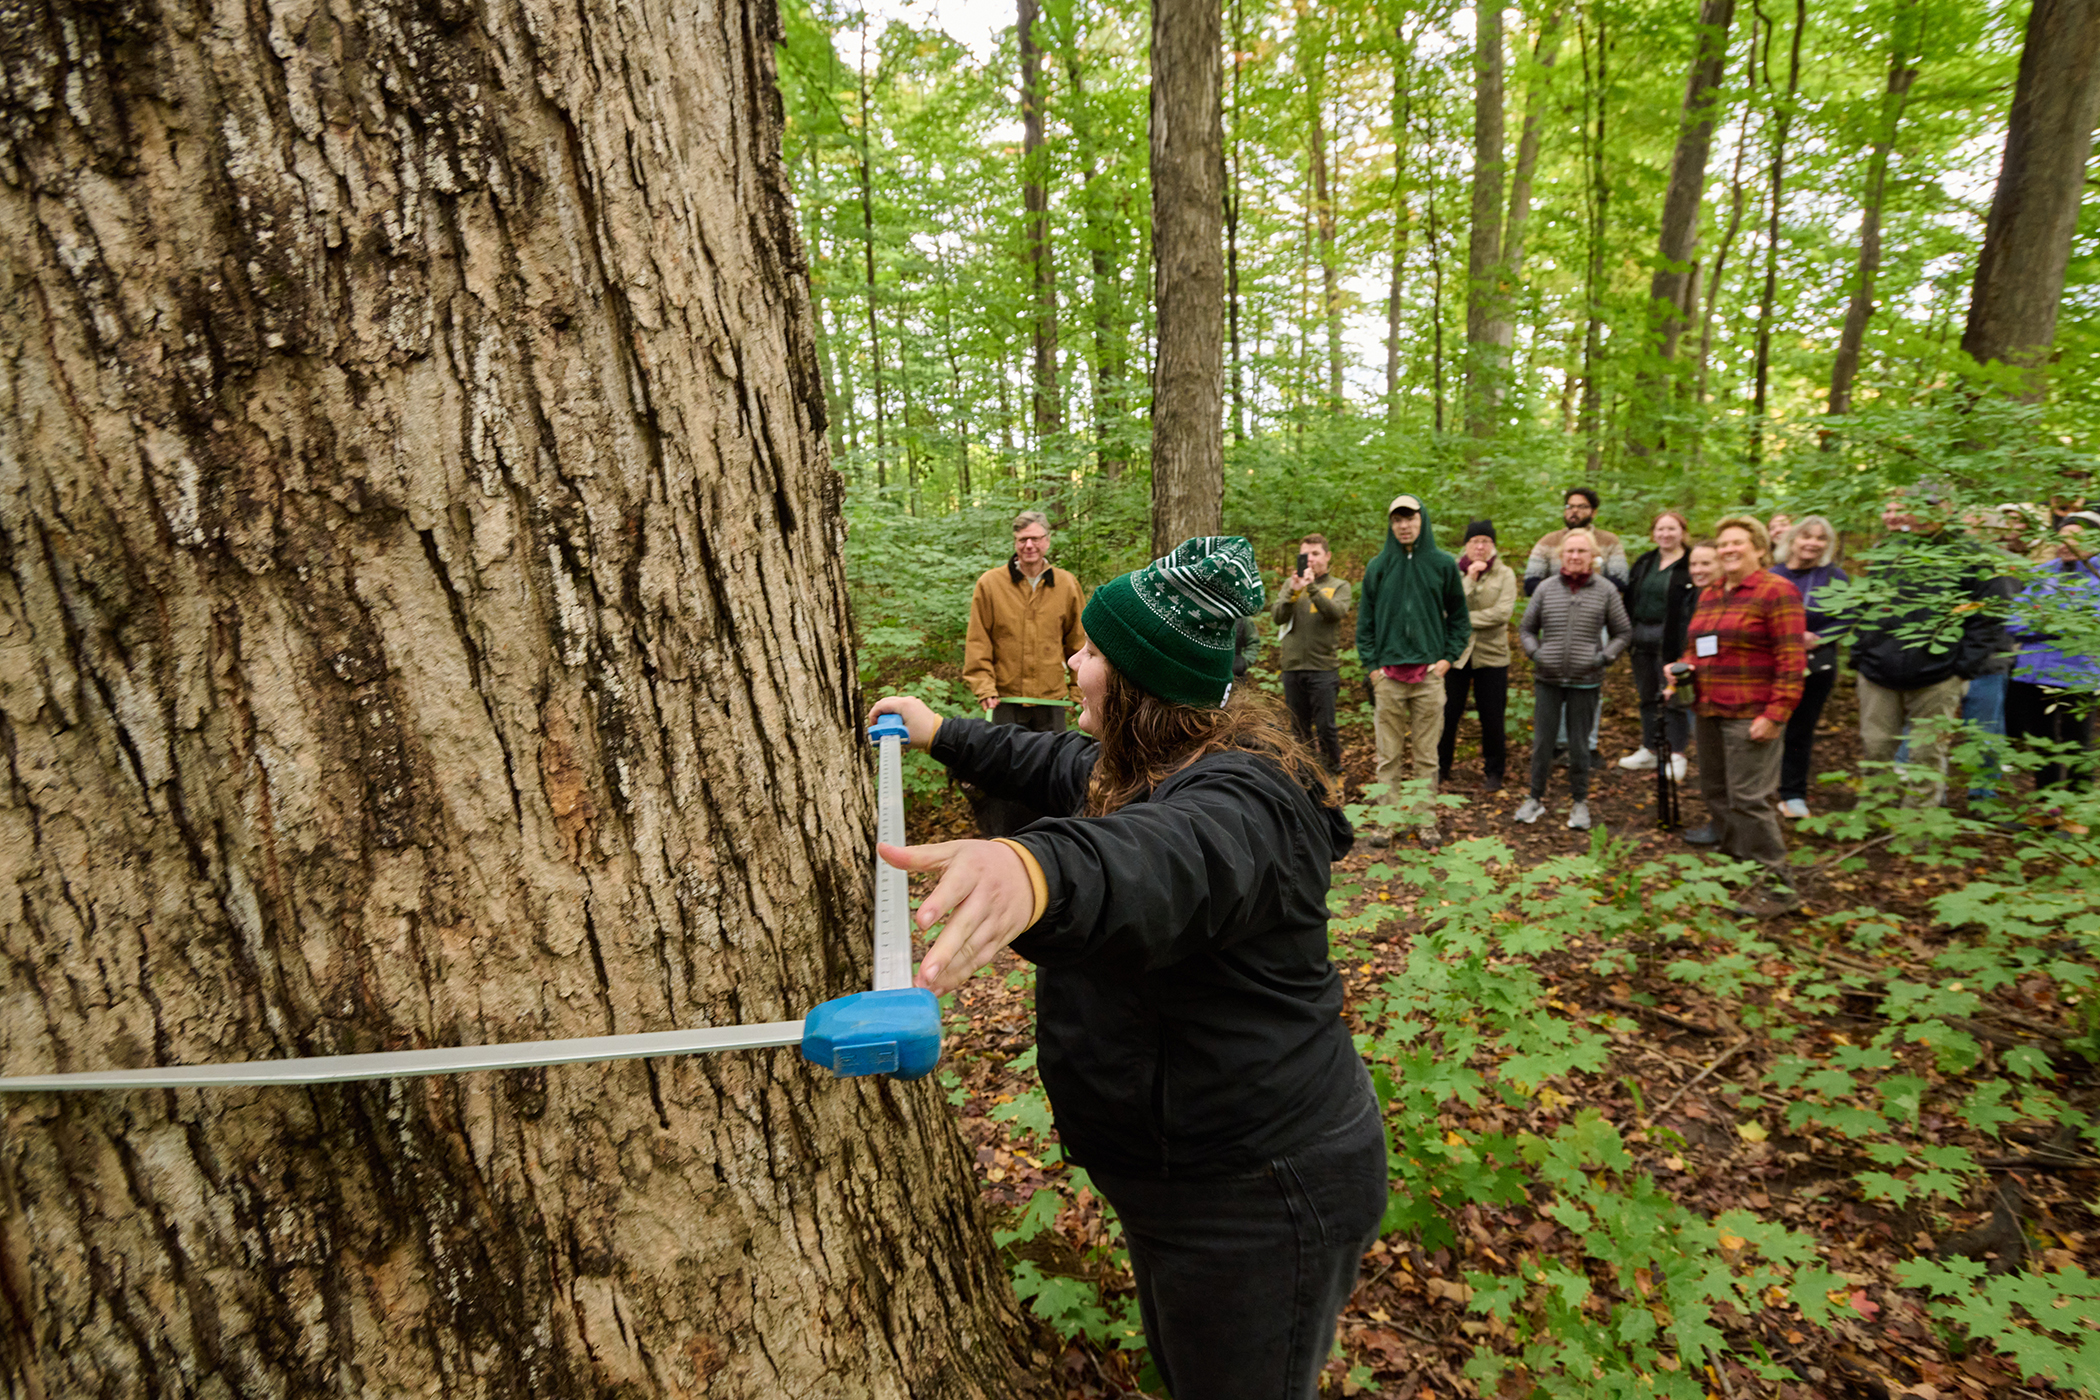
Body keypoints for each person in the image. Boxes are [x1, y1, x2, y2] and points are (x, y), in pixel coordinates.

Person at [869, 536, 1384, 1400]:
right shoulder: (1147, 764)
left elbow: (1164, 858)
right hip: (1183, 1176)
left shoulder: (1247, 803)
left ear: (1143, 683)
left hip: (1257, 1193)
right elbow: (1053, 762)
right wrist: (941, 733)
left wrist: (1036, 868)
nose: (1074, 663)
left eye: (1095, 653)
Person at [1670, 516, 1805, 915]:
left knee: (1748, 799)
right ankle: (1737, 866)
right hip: (1709, 709)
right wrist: (1681, 668)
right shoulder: (1711, 593)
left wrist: (1776, 714)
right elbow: (1698, 647)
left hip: (1751, 714)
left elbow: (1792, 660)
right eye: (1723, 544)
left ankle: (1777, 888)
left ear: (1760, 549)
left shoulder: (1777, 591)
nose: (1728, 549)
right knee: (1716, 792)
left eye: (1737, 543)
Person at [1849, 485, 2014, 808]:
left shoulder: (1972, 556)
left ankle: (1917, 823)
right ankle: (1874, 814)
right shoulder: (1887, 551)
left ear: (1950, 508)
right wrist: (1861, 654)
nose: (1923, 515)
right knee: (1877, 748)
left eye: (1933, 506)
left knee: (1926, 754)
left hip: (1939, 675)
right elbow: (1864, 604)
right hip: (1878, 670)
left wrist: (1961, 669)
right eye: (1916, 507)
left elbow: (1990, 616)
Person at [963, 510, 1088, 834]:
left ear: (1047, 540)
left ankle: (1051, 836)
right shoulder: (990, 584)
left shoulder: (1066, 584)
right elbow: (978, 641)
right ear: (1015, 543)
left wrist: (1078, 690)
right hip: (1004, 700)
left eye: (1035, 538)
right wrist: (984, 686)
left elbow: (1078, 643)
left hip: (1051, 701)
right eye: (1022, 540)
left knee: (1053, 771)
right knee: (1004, 772)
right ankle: (1006, 837)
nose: (1029, 545)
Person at [1356, 494, 1471, 846]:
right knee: (1387, 756)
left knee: (1426, 756)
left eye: (1410, 518)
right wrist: (1373, 668)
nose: (1404, 526)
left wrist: (1447, 660)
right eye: (1397, 520)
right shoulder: (1378, 566)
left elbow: (1460, 619)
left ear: (1422, 520)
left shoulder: (1442, 564)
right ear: (1391, 525)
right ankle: (1386, 822)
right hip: (1388, 677)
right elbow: (1365, 622)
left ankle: (1425, 822)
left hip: (1429, 677)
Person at [1514, 530, 1631, 831]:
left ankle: (1579, 801)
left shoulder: (1605, 590)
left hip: (1586, 679)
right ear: (1561, 556)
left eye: (1581, 551)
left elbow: (1622, 632)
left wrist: (1604, 657)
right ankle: (1534, 798)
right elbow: (1526, 628)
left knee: (1580, 746)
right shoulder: (1546, 588)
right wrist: (1536, 653)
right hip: (1548, 678)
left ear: (1593, 556)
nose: (1575, 556)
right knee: (1543, 743)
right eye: (1570, 551)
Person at [2005, 511, 2100, 792]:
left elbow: (2091, 623)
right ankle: (2047, 806)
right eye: (2060, 538)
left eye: (2075, 538)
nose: (2064, 544)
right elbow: (2014, 622)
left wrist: (2042, 621)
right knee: (2039, 743)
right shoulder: (2042, 573)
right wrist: (2060, 624)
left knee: (2077, 744)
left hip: (2079, 674)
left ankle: (2078, 808)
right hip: (2032, 672)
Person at [1769, 516, 1850, 819]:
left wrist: (1819, 638)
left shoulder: (1835, 576)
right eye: (1807, 536)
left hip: (1816, 664)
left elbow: (1848, 615)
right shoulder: (1772, 575)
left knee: (1800, 730)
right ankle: (1759, 788)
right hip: (1773, 663)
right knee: (1767, 724)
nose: (1813, 543)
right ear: (1792, 539)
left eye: (1820, 538)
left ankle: (1792, 794)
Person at [1618, 511, 1699, 782]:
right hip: (1641, 636)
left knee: (1673, 696)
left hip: (1674, 638)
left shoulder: (1691, 564)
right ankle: (1650, 748)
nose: (1666, 534)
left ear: (1683, 532)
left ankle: (1676, 753)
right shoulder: (1645, 562)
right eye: (1660, 529)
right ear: (1653, 533)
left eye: (1672, 529)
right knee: (1647, 695)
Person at [1439, 520, 1517, 793]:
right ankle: (1440, 768)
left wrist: (1461, 619)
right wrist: (1469, 580)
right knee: (1447, 714)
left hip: (1492, 656)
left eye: (1486, 541)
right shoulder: (1453, 572)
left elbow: (1502, 614)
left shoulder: (1505, 574)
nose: (1480, 546)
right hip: (1456, 655)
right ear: (1466, 545)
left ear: (1493, 545)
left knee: (1492, 717)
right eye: (1475, 541)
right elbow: (1444, 609)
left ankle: (1494, 772)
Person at [1273, 533, 1352, 776]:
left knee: (1326, 727)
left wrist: (1311, 587)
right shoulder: (1291, 584)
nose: (1310, 560)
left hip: (1323, 668)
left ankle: (1333, 772)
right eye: (1304, 555)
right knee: (1298, 727)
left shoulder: (1339, 586)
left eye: (1315, 554)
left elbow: (1335, 612)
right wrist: (1292, 592)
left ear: (1327, 556)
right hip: (1293, 667)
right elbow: (1277, 617)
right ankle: (1305, 775)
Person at [1522, 487, 1630, 595]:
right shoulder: (1548, 542)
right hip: (1555, 603)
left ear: (1594, 512)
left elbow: (1620, 581)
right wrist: (1563, 595)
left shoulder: (1609, 541)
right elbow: (1531, 583)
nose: (1574, 510)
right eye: (1570, 506)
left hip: (1599, 602)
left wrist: (1588, 594)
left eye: (1581, 507)